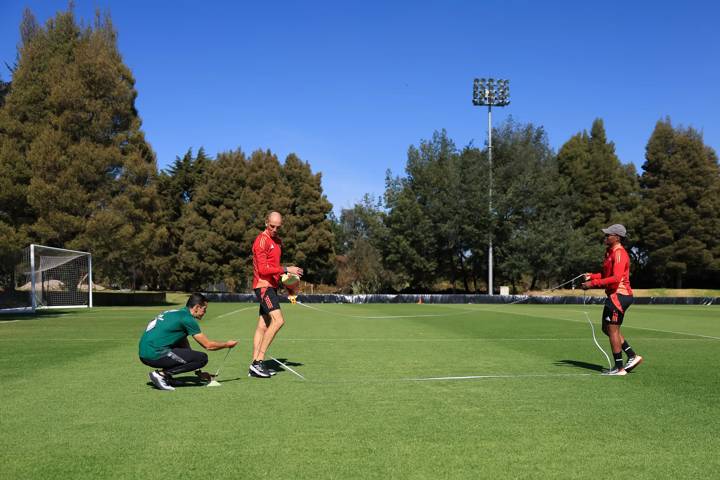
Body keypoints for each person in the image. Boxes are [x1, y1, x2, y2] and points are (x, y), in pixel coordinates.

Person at [139, 293, 237, 391]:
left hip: (144, 354)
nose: (205, 312)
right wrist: (227, 344)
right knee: (202, 358)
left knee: (192, 356)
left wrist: (198, 372)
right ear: (197, 307)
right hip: (154, 354)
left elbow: (184, 346)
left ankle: (167, 377)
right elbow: (208, 345)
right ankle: (161, 375)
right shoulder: (187, 319)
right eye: (204, 309)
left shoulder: (175, 313)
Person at [582, 224, 643, 376]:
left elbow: (616, 279)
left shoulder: (619, 253)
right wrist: (592, 276)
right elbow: (606, 275)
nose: (605, 237)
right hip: (614, 296)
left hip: (619, 296)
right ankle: (632, 356)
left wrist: (592, 284)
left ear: (617, 237)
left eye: (608, 235)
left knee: (612, 329)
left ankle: (619, 368)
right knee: (606, 328)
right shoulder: (610, 253)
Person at [248, 211, 303, 378]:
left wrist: (290, 287)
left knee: (263, 325)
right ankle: (258, 362)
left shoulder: (278, 241)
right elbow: (264, 269)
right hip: (263, 287)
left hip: (271, 286)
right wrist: (288, 269)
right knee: (278, 321)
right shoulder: (261, 241)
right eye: (272, 226)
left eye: (278, 227)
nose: (275, 229)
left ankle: (254, 365)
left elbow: (274, 269)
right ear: (266, 222)